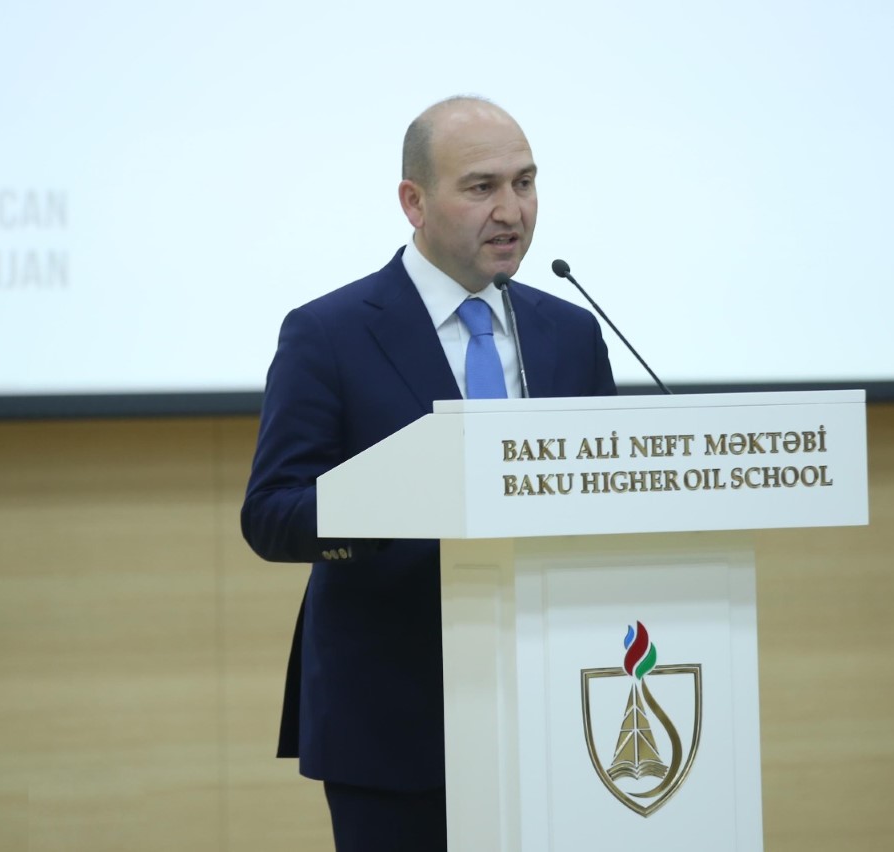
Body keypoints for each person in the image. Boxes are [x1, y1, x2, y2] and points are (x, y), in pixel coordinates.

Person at [240, 96, 617, 852]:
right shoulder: (329, 333)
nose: (511, 210)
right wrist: (394, 496)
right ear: (413, 202)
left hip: (555, 705)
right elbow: (273, 514)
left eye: (525, 183)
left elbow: (606, 495)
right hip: (392, 718)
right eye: (482, 187)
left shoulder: (571, 332)